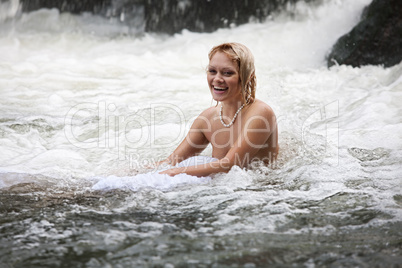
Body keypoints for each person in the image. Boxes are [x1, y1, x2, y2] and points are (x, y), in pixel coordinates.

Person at [158, 42, 278, 177]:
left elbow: (229, 165)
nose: (217, 79)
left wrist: (174, 172)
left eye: (227, 73)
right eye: (212, 71)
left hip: (260, 192)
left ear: (247, 76)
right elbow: (169, 163)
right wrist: (132, 173)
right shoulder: (207, 118)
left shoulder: (260, 113)